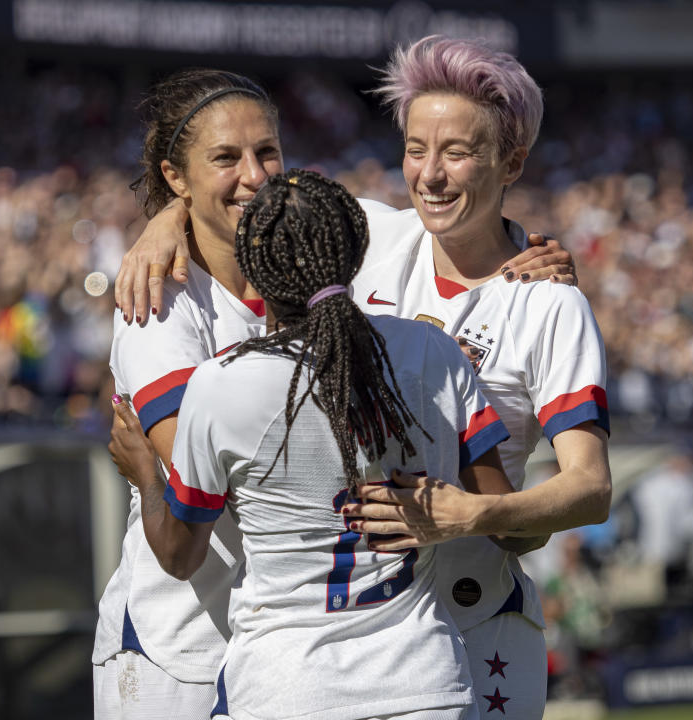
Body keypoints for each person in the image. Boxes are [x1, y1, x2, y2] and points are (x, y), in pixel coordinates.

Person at [111, 36, 607, 719]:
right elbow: (254, 199)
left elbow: (589, 487)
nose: (429, 175)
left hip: (471, 615)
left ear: (511, 161)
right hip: (368, 633)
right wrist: (165, 221)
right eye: (414, 148)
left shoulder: (546, 301)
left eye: (456, 152)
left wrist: (469, 514)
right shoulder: (373, 235)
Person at [109, 169, 523, 719]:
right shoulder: (434, 352)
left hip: (286, 688)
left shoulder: (221, 384)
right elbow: (513, 529)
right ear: (355, 258)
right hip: (428, 685)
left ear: (255, 273)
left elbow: (180, 557)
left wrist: (145, 475)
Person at [92, 69, 283, 718]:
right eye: (225, 158)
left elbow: (437, 232)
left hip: (275, 647)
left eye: (267, 152)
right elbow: (200, 469)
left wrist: (522, 254)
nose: (255, 175)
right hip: (176, 650)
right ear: (177, 176)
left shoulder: (307, 275)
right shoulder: (156, 301)